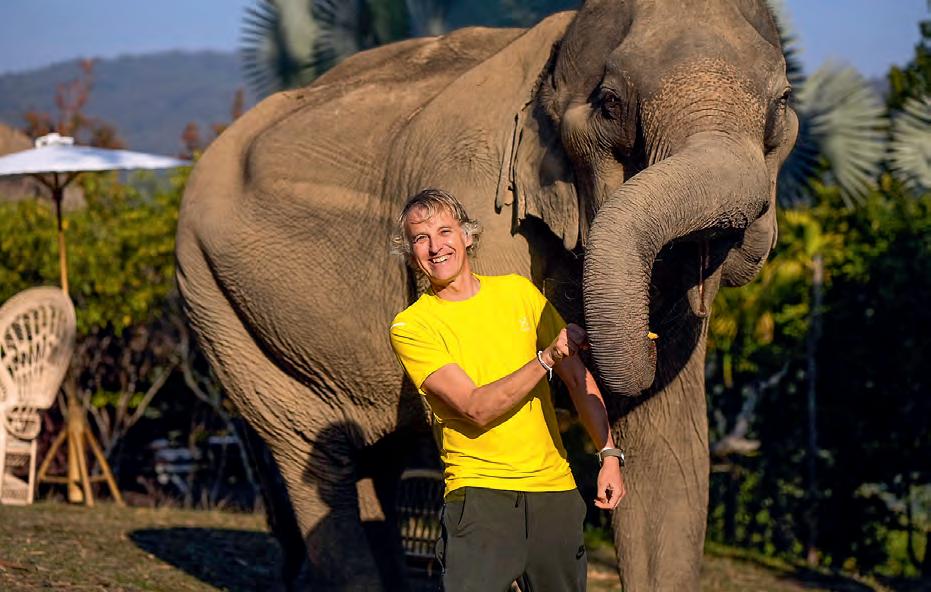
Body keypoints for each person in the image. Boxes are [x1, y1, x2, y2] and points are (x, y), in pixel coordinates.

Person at [388, 188, 625, 592]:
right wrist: (544, 359)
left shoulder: (519, 293)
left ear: (467, 236)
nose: (435, 247)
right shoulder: (412, 327)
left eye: (444, 231)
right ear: (411, 253)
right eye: (421, 238)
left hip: (553, 492)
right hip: (479, 496)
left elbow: (576, 377)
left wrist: (609, 454)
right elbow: (475, 407)